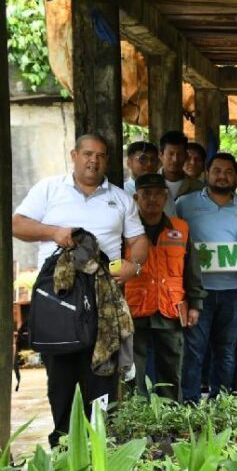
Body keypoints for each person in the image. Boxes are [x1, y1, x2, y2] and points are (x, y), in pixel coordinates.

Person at [12, 133, 149, 447]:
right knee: (60, 380)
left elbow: (140, 241)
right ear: (74, 155)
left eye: (100, 155)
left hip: (104, 297)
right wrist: (54, 232)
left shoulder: (120, 198)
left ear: (107, 161)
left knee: (101, 375)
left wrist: (134, 266)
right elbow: (16, 224)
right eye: (88, 153)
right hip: (59, 296)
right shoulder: (49, 189)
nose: (94, 160)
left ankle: (99, 446)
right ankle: (62, 447)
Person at [176, 153, 237, 402]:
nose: (223, 176)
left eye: (229, 172)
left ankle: (222, 402)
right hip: (197, 293)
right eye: (217, 170)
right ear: (206, 173)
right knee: (193, 351)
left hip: (233, 292)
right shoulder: (184, 204)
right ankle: (189, 403)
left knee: (226, 352)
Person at [125, 174, 207, 401]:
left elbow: (191, 270)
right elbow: (111, 264)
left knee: (171, 370)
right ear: (135, 197)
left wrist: (195, 304)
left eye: (157, 194)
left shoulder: (181, 229)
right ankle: (138, 419)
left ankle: (170, 420)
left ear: (165, 197)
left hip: (170, 307)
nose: (152, 199)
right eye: (146, 194)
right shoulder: (125, 231)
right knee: (133, 371)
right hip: (133, 309)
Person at [158, 131, 204, 217]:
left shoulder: (198, 188)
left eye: (179, 154)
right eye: (171, 154)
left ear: (186, 156)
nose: (175, 159)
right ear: (161, 155)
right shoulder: (150, 185)